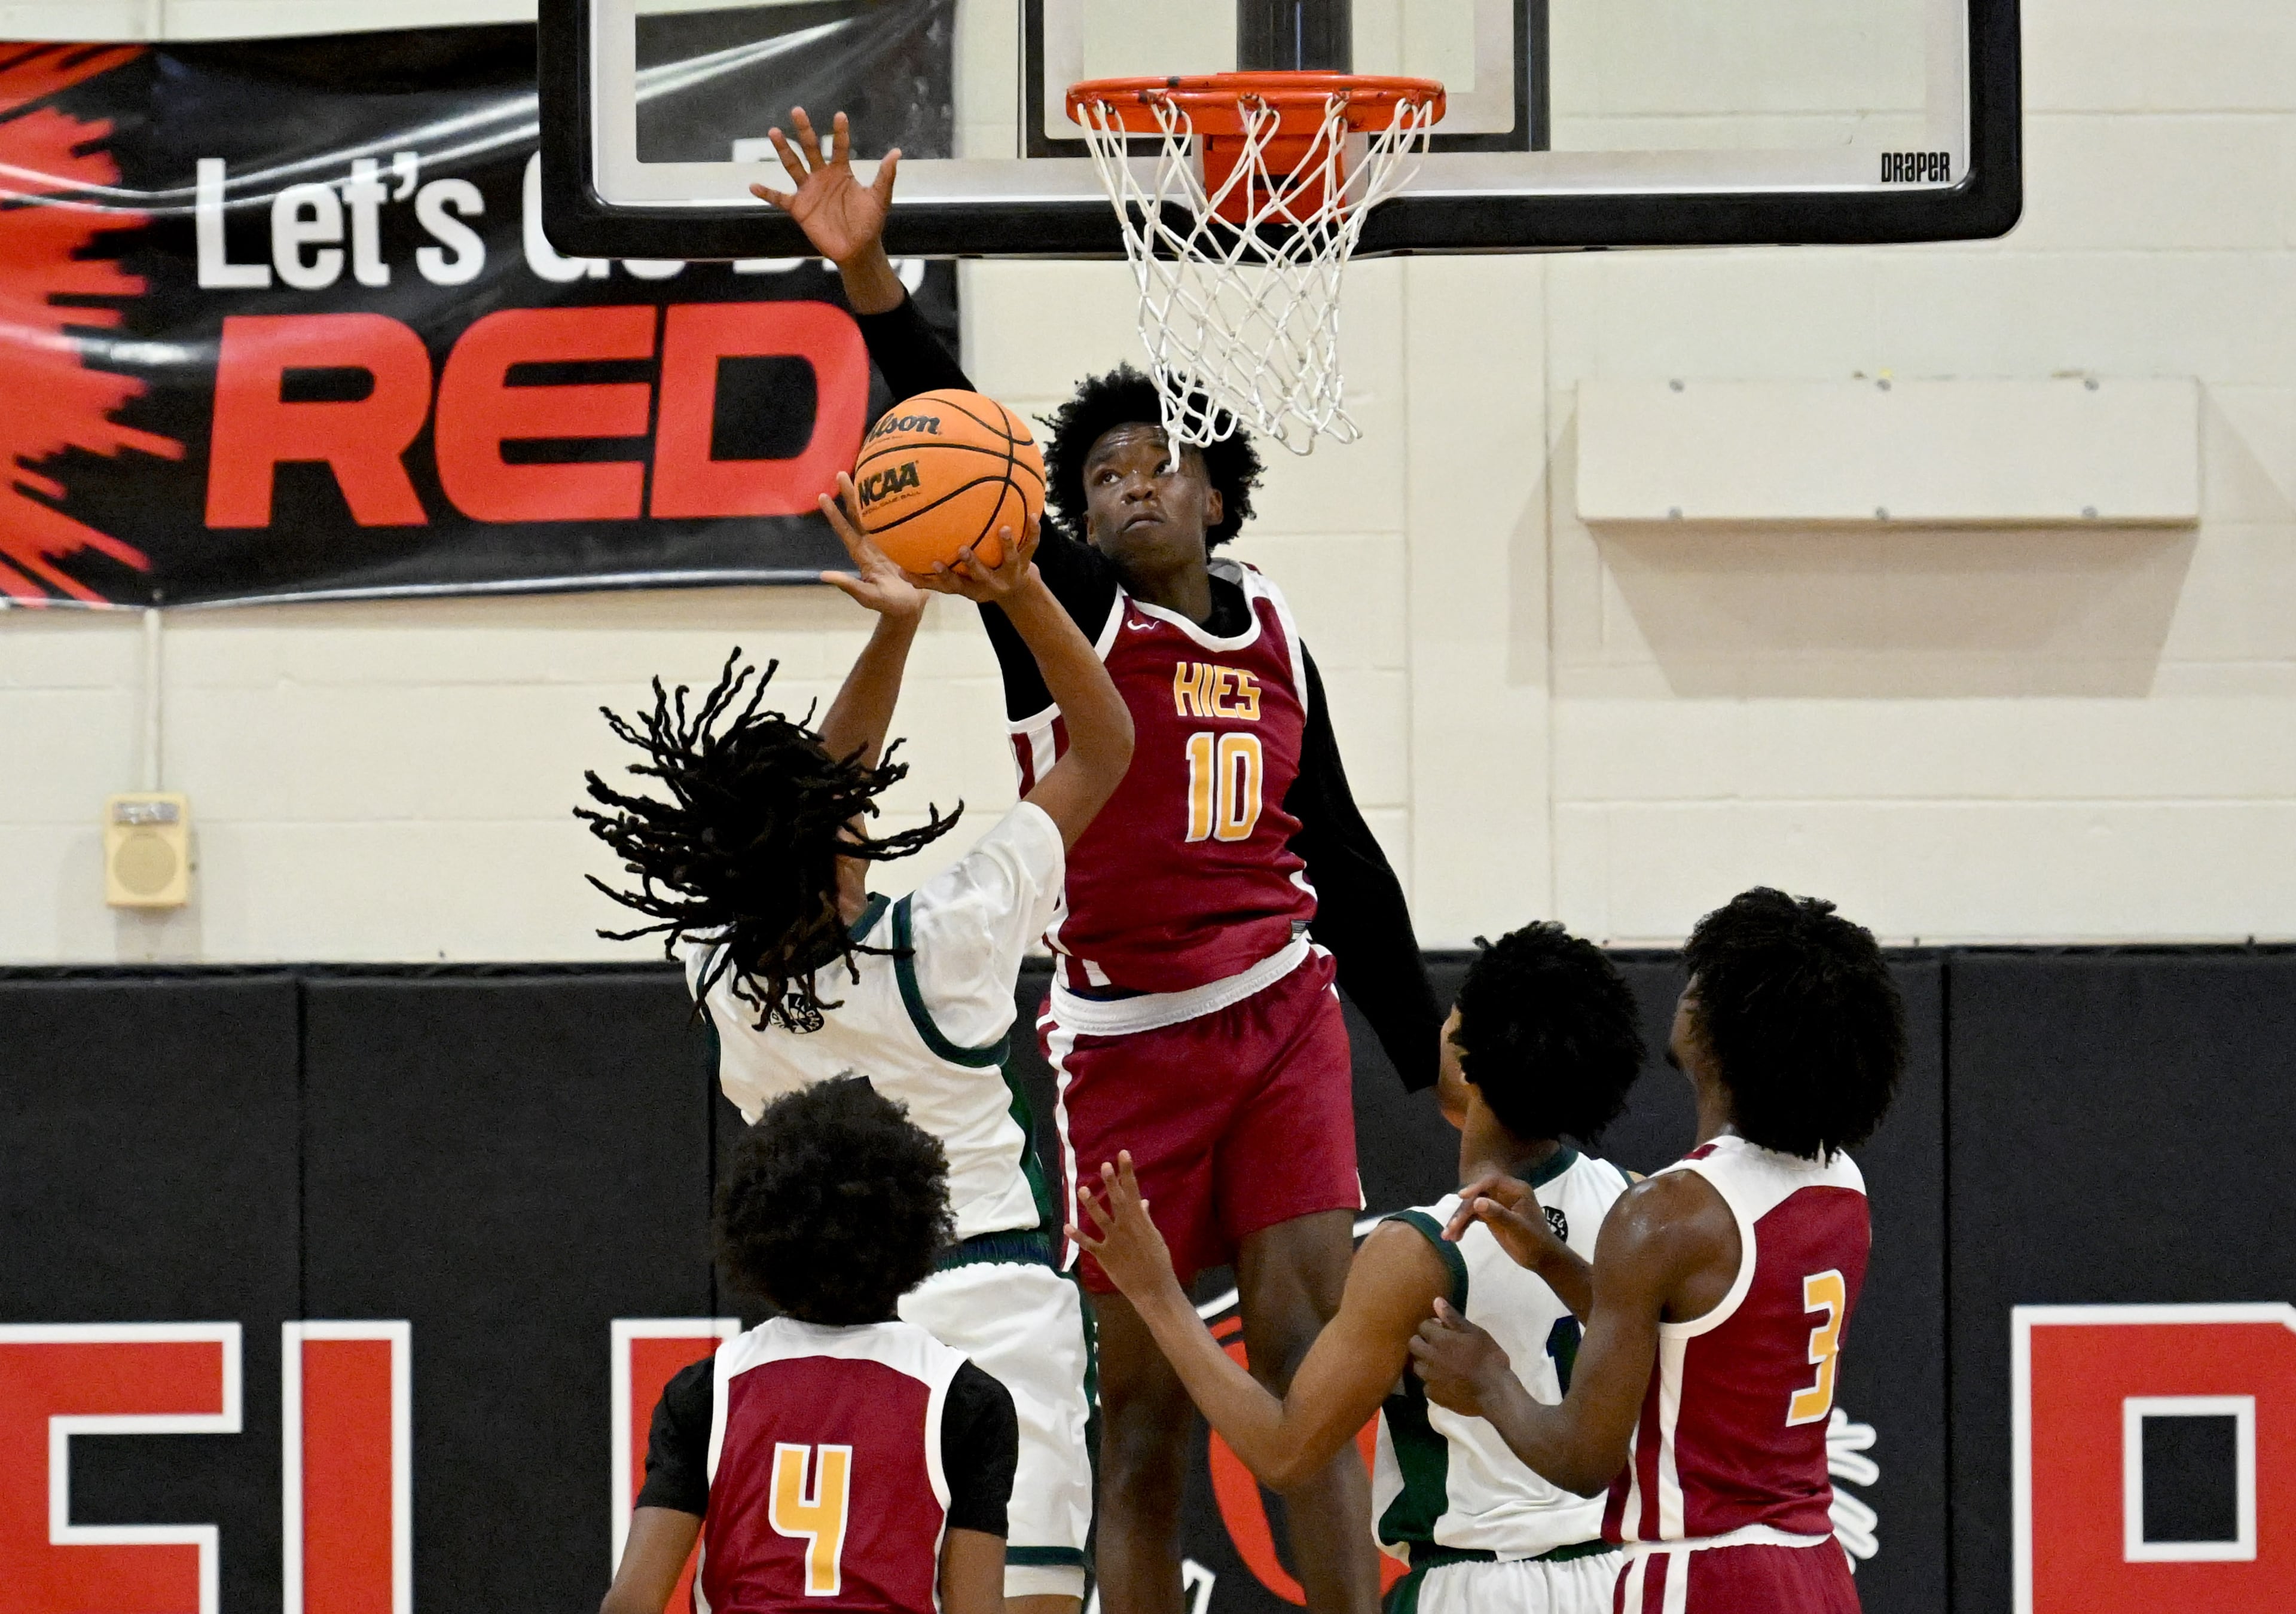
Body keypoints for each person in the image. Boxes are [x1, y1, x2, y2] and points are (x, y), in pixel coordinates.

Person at [752, 108, 1443, 1614]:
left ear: (1216, 493)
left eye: (1159, 464)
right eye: (1103, 474)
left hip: (1280, 1010)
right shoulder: (1054, 605)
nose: (1131, 485)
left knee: (1305, 1361)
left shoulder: (1278, 631)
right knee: (1139, 1415)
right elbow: (953, 421)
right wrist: (870, 281)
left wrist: (1424, 1051)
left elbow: (1340, 845)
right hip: (1127, 1041)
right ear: (1066, 515)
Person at [580, 482, 1133, 1613]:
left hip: (819, 1343)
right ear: (842, 841)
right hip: (990, 1309)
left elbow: (809, 808)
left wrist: (895, 631)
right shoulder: (946, 939)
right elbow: (1107, 746)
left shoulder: (720, 978)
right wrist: (1019, 589)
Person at [1071, 921, 1646, 1614]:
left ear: (1468, 1063)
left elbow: (1286, 1452)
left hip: (1483, 1586)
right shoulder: (1639, 1206)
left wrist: (1157, 1293)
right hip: (1627, 1581)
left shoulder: (1420, 1251)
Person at [1407, 888, 1904, 1614]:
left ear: (1725, 1035)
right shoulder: (1841, 1185)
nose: (1687, 992)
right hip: (1814, 1569)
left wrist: (1487, 1379)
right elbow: (1703, 1345)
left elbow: (1583, 1458)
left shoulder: (1666, 1214)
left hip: (1701, 1577)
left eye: (1701, 983)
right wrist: (1552, 1260)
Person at [600, 1078, 1015, 1614]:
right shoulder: (968, 1399)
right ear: (913, 1224)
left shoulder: (706, 1391)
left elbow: (631, 1603)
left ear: (760, 1229)